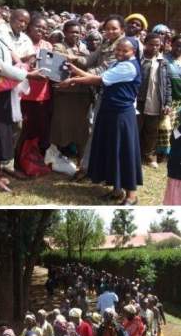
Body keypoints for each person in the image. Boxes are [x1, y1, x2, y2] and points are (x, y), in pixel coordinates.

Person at [61, 38, 142, 204]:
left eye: (124, 51)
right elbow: (99, 76)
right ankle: (117, 190)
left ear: (133, 52)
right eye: (118, 50)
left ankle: (131, 196)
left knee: (123, 153)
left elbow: (99, 80)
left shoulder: (128, 66)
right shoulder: (118, 64)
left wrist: (73, 80)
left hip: (121, 115)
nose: (119, 53)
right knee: (112, 151)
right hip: (110, 112)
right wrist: (75, 70)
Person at [0, 0, 45, 193]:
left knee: (2, 133)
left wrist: (24, 64)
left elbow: (10, 55)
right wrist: (27, 74)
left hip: (4, 91)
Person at [51, 20, 93, 161]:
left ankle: (82, 157)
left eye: (78, 32)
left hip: (82, 93)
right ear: (65, 33)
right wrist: (79, 59)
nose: (75, 35)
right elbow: (59, 63)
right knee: (61, 125)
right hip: (64, 94)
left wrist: (77, 58)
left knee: (81, 127)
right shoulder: (58, 46)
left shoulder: (85, 47)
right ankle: (58, 156)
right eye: (72, 32)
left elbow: (90, 63)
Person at [17, 14, 53, 161]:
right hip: (23, 93)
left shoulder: (48, 45)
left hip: (42, 94)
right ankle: (17, 159)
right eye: (38, 26)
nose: (41, 30)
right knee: (22, 129)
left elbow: (50, 68)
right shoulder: (21, 42)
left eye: (45, 28)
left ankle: (32, 157)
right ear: (29, 27)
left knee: (37, 128)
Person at [137, 33, 172, 167]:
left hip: (156, 101)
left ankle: (149, 155)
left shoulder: (163, 62)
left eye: (157, 45)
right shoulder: (139, 60)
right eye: (151, 44)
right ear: (145, 44)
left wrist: (167, 103)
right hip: (139, 100)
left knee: (152, 130)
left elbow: (167, 84)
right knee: (137, 127)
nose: (154, 47)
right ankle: (135, 154)